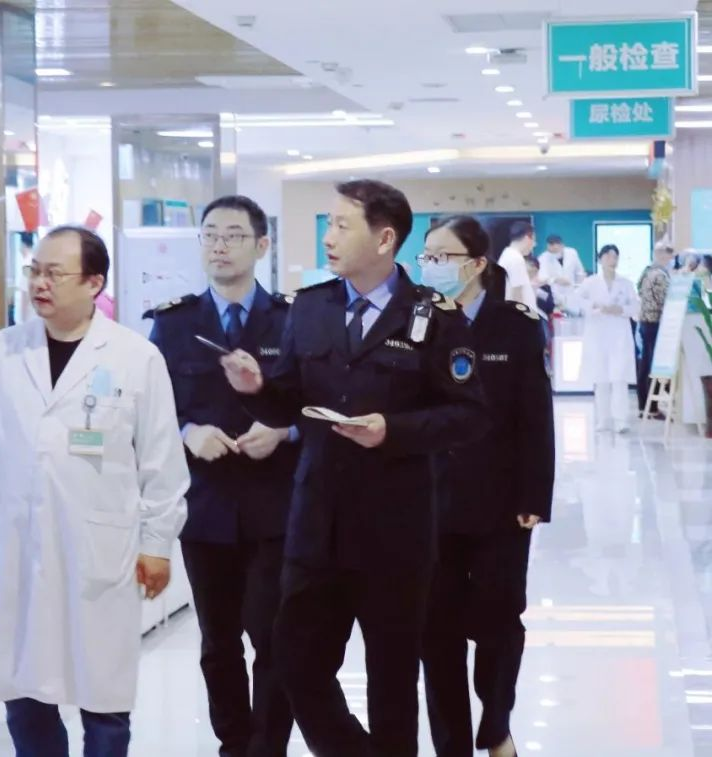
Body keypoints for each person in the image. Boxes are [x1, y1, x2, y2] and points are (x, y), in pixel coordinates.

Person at [0, 226, 189, 757]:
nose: (39, 284)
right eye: (35, 271)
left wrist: (157, 543)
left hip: (100, 554)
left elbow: (162, 462)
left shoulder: (135, 357)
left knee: (104, 703)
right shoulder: (1, 353)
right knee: (24, 700)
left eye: (54, 273)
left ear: (94, 283)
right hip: (24, 552)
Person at [219, 180, 490, 757]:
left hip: (396, 530)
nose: (329, 236)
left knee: (393, 682)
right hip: (316, 524)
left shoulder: (434, 316)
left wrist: (393, 430)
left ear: (385, 239)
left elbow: (469, 415)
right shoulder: (311, 307)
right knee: (295, 662)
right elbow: (288, 403)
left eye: (343, 225)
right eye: (329, 223)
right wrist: (257, 388)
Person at [148, 195, 298, 757]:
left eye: (233, 235)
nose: (219, 246)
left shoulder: (291, 319)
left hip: (274, 504)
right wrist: (187, 431)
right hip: (205, 505)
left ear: (262, 245)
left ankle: (268, 747)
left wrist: (284, 430)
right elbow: (151, 408)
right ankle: (234, 743)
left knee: (273, 636)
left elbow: (317, 402)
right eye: (210, 234)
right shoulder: (174, 323)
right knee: (218, 640)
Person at [416, 216, 555, 757]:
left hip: (501, 502)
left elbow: (534, 416)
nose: (430, 266)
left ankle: (495, 725)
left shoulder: (514, 325)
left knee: (500, 618)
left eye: (441, 256)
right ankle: (450, 742)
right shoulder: (415, 322)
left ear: (476, 265)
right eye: (425, 256)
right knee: (436, 629)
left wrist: (534, 496)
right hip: (430, 501)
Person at [576, 245, 640, 433]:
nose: (612, 260)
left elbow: (635, 306)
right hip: (598, 333)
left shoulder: (626, 283)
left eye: (615, 257)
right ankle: (603, 419)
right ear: (600, 259)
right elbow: (577, 301)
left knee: (619, 378)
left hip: (619, 334)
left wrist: (620, 310)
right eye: (608, 256)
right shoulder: (590, 283)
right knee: (601, 377)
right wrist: (595, 306)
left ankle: (621, 420)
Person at [636, 244, 674, 417]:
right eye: (668, 254)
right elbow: (666, 300)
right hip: (655, 323)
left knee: (646, 364)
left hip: (646, 322)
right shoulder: (660, 275)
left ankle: (644, 406)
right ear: (660, 254)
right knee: (653, 366)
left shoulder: (647, 272)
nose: (670, 258)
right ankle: (651, 408)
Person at [537, 234, 585, 311]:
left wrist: (578, 288)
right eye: (551, 245)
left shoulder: (572, 253)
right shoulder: (543, 258)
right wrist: (556, 280)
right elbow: (541, 278)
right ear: (548, 246)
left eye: (557, 245)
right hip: (555, 297)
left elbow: (580, 273)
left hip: (572, 294)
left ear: (562, 245)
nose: (554, 248)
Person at [498, 222, 538, 311]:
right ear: (527, 238)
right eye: (534, 240)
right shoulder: (515, 258)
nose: (534, 245)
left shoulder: (508, 254)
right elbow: (516, 294)